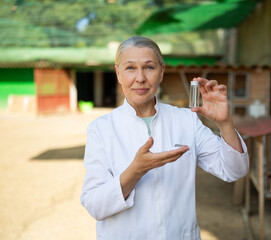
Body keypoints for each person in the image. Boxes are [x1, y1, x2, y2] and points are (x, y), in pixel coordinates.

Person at [80, 36, 249, 240]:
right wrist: (136, 170)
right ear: (118, 73)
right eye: (130, 68)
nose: (140, 78)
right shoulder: (101, 129)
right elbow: (96, 206)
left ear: (162, 72)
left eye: (149, 67)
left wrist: (224, 123)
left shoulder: (186, 120)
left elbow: (234, 170)